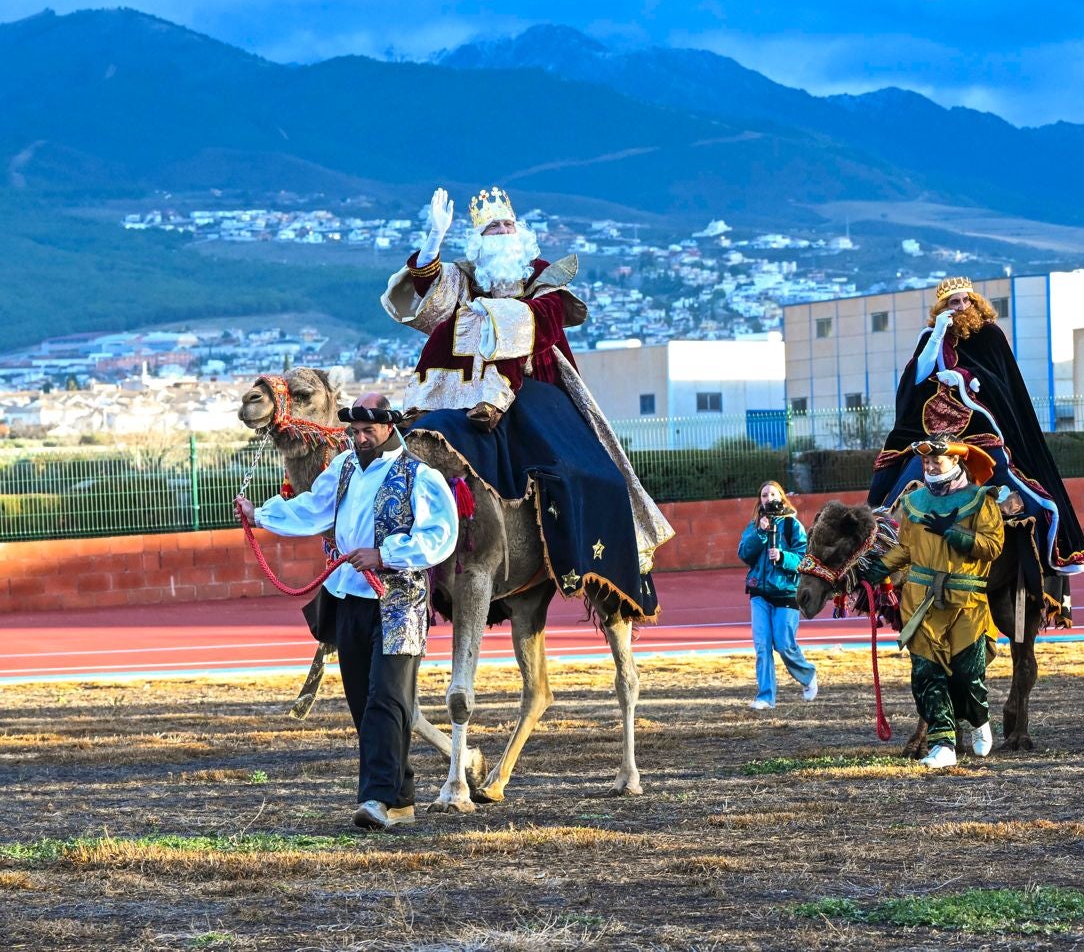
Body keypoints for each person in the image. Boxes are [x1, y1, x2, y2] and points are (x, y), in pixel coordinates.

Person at [380, 186, 673, 618]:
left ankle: (599, 550)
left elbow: (549, 318)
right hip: (468, 388)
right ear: (478, 239)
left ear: (520, 232)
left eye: (507, 224)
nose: (501, 231)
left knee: (588, 469)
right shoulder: (466, 276)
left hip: (535, 383)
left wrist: (492, 319)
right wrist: (432, 242)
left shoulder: (540, 274)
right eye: (492, 227)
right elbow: (431, 302)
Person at [235, 392, 458, 830]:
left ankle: (376, 800)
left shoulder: (420, 476)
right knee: (362, 701)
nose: (358, 438)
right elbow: (312, 510)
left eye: (366, 431)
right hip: (349, 599)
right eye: (353, 431)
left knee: (387, 698)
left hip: (397, 603)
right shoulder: (342, 469)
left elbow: (441, 536)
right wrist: (260, 514)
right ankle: (401, 796)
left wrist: (385, 554)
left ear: (388, 427)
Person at [870, 276, 1084, 628]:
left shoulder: (990, 335)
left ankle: (1032, 560)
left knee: (1014, 484)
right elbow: (916, 381)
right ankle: (882, 549)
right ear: (940, 309)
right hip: (935, 427)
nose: (960, 308)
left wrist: (968, 380)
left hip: (981, 425)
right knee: (907, 474)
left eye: (965, 302)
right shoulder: (931, 338)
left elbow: (1003, 384)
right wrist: (938, 336)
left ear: (976, 303)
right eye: (952, 303)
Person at [872, 440, 1006, 768]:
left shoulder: (980, 500)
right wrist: (878, 567)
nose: (930, 466)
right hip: (921, 601)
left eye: (937, 460)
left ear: (956, 462)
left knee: (967, 673)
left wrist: (954, 533)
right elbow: (905, 550)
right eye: (927, 461)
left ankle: (978, 718)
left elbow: (993, 546)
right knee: (926, 673)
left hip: (967, 602)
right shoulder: (914, 502)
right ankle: (942, 743)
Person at [737, 481, 818, 709]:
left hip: (786, 593)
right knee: (762, 646)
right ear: (760, 500)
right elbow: (744, 553)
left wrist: (783, 557)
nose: (768, 498)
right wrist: (760, 533)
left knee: (784, 645)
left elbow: (804, 560)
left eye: (773, 494)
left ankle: (807, 675)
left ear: (781, 497)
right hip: (759, 593)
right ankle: (765, 697)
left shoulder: (793, 525)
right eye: (764, 495)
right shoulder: (755, 525)